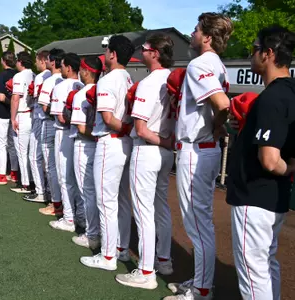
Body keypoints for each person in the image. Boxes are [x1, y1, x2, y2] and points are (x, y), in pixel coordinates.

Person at [226, 25, 295, 300]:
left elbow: (269, 159)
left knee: (254, 273)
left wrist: (289, 166)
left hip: (255, 196)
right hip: (272, 197)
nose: (251, 55)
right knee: (266, 264)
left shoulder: (274, 96)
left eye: (254, 50)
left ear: (268, 53)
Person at [165, 12, 233, 300]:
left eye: (195, 30)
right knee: (199, 221)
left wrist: (217, 126)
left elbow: (223, 104)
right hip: (202, 149)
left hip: (197, 149)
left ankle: (202, 290)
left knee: (197, 222)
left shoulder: (201, 63)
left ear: (206, 36)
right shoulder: (216, 64)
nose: (191, 34)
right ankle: (200, 281)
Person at [115, 33, 176, 290]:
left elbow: (140, 129)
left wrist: (163, 142)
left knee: (144, 212)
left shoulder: (149, 82)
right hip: (164, 151)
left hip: (149, 147)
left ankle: (146, 271)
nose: (142, 50)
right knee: (160, 206)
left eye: (146, 48)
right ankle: (164, 260)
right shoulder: (172, 79)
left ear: (155, 53)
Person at [80, 35, 135, 271]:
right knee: (121, 201)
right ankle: (121, 250)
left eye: (107, 51)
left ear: (112, 54)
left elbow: (108, 118)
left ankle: (108, 256)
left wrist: (125, 129)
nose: (105, 54)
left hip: (111, 141)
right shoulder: (129, 77)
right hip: (125, 143)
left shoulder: (108, 79)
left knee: (106, 202)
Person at [48, 52, 84, 232]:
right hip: (81, 135)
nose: (60, 68)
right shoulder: (83, 85)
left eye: (62, 66)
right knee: (78, 180)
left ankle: (69, 218)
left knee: (64, 177)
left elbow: (61, 118)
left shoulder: (61, 86)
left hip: (64, 133)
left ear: (69, 67)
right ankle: (79, 217)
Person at [70, 56, 103, 249]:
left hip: (85, 144)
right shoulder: (102, 88)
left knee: (87, 192)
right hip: (102, 144)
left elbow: (81, 128)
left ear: (86, 71)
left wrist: (97, 136)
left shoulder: (82, 93)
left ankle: (92, 234)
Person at [37, 48, 65, 216]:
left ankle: (56, 204)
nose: (46, 62)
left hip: (50, 123)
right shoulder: (71, 79)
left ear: (53, 61)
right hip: (67, 126)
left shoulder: (49, 80)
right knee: (63, 168)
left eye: (48, 59)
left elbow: (45, 107)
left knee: (50, 166)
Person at [23, 50, 52, 203]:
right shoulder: (59, 77)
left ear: (43, 60)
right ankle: (48, 191)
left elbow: (35, 99)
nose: (35, 63)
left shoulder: (42, 77)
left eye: (37, 60)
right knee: (51, 162)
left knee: (35, 156)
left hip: (41, 119)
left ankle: (41, 192)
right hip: (56, 122)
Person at [0, 51, 19, 185]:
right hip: (16, 115)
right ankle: (14, 172)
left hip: (1, 113)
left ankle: (1, 175)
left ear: (3, 61)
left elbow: (1, 97)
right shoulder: (18, 75)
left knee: (1, 144)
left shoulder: (2, 75)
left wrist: (10, 102)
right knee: (12, 145)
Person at [9, 51, 36, 193]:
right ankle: (32, 181)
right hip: (32, 114)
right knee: (31, 152)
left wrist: (13, 118)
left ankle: (26, 183)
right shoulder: (34, 75)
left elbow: (15, 98)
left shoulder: (19, 75)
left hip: (22, 114)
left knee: (22, 151)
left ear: (20, 62)